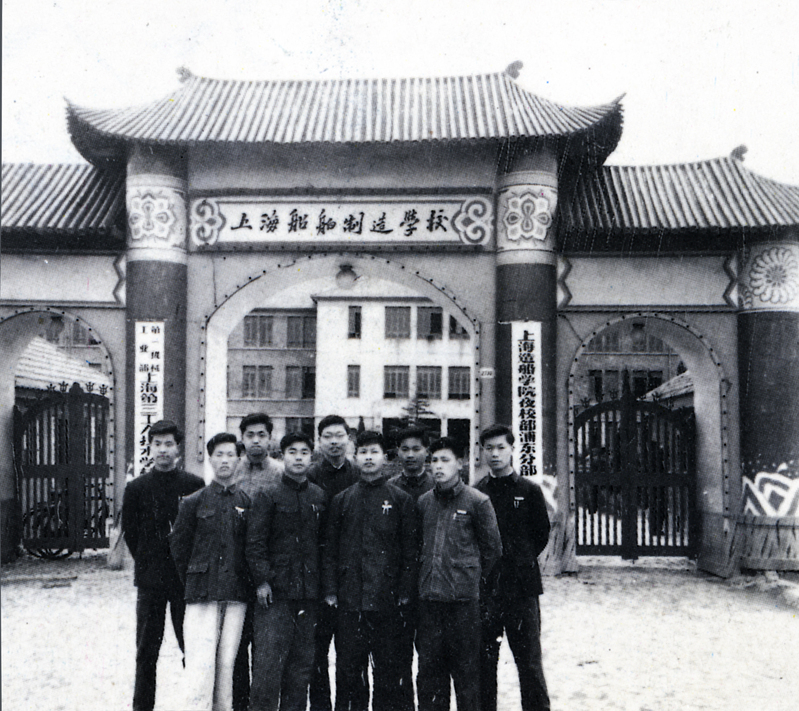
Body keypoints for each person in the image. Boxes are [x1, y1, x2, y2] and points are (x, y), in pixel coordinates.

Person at [323, 431, 417, 711]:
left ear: (385, 458)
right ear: (355, 457)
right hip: (350, 601)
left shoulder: (400, 500)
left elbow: (410, 551)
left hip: (388, 602)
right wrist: (331, 590)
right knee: (349, 671)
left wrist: (404, 592)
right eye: (363, 452)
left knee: (388, 671)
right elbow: (330, 550)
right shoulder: (342, 500)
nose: (368, 458)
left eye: (374, 452)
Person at [122, 420, 205, 711]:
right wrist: (148, 561)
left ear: (178, 447)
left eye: (169, 444)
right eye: (157, 444)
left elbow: (200, 532)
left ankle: (196, 704)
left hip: (185, 581)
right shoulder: (136, 488)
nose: (163, 450)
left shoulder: (194, 485)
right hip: (151, 581)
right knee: (146, 651)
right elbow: (131, 532)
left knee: (191, 648)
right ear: (150, 447)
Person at [416, 437, 502, 711]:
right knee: (430, 677)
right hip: (430, 604)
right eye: (434, 460)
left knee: (467, 678)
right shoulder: (424, 503)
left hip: (463, 606)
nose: (438, 466)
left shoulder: (477, 502)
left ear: (460, 463)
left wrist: (469, 582)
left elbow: (492, 552)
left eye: (445, 460)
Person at [169, 432, 253, 711]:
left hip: (236, 593)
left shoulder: (246, 501)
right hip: (202, 592)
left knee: (227, 663)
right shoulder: (193, 501)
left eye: (230, 455)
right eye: (219, 455)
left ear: (239, 459)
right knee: (200, 664)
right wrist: (195, 578)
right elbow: (179, 548)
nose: (225, 460)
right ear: (210, 459)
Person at [246, 432, 328, 711]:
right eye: (292, 452)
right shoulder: (268, 495)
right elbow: (255, 542)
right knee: (268, 668)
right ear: (282, 456)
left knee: (300, 668)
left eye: (304, 452)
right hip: (275, 595)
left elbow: (323, 544)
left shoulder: (318, 496)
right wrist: (262, 581)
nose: (298, 458)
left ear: (311, 457)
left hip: (308, 595)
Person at [474, 425, 551, 711]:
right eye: (489, 448)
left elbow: (541, 534)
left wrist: (520, 560)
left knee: (529, 663)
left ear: (512, 450)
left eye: (501, 447)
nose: (495, 454)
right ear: (482, 451)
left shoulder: (529, 491)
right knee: (484, 664)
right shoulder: (477, 492)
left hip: (522, 589)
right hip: (487, 592)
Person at [306, 415, 363, 711]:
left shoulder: (359, 474)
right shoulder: (310, 476)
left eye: (339, 435)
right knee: (317, 653)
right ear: (319, 441)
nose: (334, 442)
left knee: (351, 655)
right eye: (327, 436)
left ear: (349, 439)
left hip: (352, 575)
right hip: (317, 576)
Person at [233, 412, 283, 710]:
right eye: (250, 435)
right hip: (236, 573)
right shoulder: (231, 471)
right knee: (236, 646)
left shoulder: (280, 473)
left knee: (265, 650)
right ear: (242, 438)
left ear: (270, 438)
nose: (255, 441)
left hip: (268, 574)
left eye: (261, 435)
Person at [387, 425, 435, 709]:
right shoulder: (390, 488)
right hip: (398, 587)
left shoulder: (437, 485)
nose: (410, 455)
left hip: (431, 585)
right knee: (398, 659)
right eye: (404, 449)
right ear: (397, 452)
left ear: (426, 451)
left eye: (416, 449)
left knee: (430, 659)